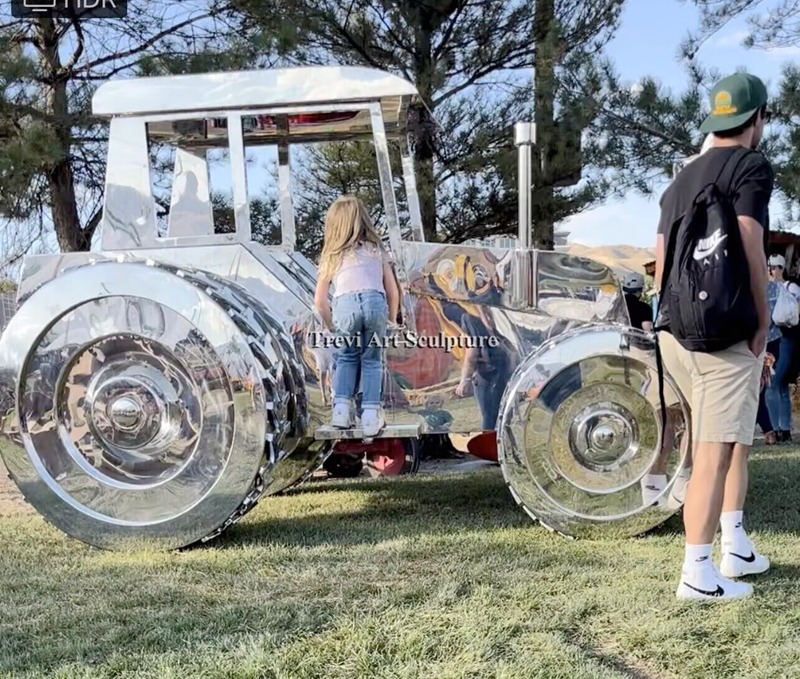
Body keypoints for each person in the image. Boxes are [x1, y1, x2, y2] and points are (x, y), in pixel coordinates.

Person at [654, 72, 774, 601]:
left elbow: (660, 255)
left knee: (732, 440)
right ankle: (697, 573)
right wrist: (763, 317)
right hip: (725, 331)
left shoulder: (680, 178)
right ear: (757, 120)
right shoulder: (750, 166)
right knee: (716, 452)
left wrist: (665, 317)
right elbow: (749, 237)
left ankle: (735, 546)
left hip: (676, 332)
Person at [314, 195, 400, 437]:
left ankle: (341, 411)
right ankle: (371, 415)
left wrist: (332, 325)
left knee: (346, 357)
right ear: (363, 220)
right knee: (373, 360)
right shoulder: (376, 250)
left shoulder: (331, 255)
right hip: (375, 303)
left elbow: (320, 301)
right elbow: (392, 291)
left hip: (345, 305)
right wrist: (391, 320)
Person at [454, 306, 513, 431]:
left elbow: (472, 353)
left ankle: (497, 447)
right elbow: (472, 352)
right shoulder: (475, 318)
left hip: (498, 375)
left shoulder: (474, 318)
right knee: (496, 418)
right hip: (494, 375)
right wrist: (465, 379)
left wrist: (465, 380)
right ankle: (495, 447)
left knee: (496, 419)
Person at [765, 254, 800, 442]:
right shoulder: (767, 288)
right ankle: (782, 429)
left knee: (776, 383)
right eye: (771, 267)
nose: (773, 270)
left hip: (786, 338)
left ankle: (778, 428)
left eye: (777, 266)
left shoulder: (790, 288)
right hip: (771, 340)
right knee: (778, 385)